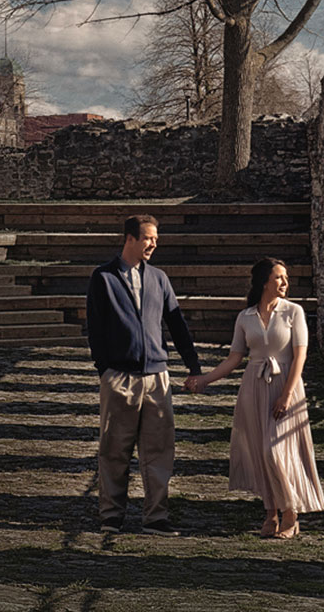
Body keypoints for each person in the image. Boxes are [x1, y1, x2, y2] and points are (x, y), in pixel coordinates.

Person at [185, 257, 324, 539]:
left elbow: (300, 356)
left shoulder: (293, 312)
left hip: (285, 386)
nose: (285, 282)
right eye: (279, 277)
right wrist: (204, 380)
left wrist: (287, 395)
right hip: (253, 387)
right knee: (260, 453)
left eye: (286, 277)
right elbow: (235, 358)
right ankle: (270, 511)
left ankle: (290, 513)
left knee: (275, 451)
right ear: (264, 282)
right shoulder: (245, 317)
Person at [85, 213, 202, 535]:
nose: (154, 243)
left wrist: (192, 364)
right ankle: (111, 516)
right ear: (130, 239)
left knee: (160, 451)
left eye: (156, 238)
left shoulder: (160, 278)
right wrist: (104, 369)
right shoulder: (103, 277)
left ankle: (156, 517)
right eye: (148, 238)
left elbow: (176, 325)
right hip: (119, 376)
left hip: (156, 377)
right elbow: (94, 327)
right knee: (114, 450)